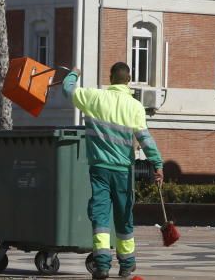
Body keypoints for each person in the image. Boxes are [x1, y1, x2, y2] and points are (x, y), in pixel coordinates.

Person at [63, 62, 164, 280]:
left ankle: (102, 266)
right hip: (123, 172)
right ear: (129, 80)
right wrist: (157, 163)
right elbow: (145, 139)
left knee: (100, 216)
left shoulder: (95, 98)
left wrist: (75, 73)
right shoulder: (135, 106)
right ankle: (127, 265)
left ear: (110, 78)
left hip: (99, 169)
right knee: (123, 215)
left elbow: (67, 89)